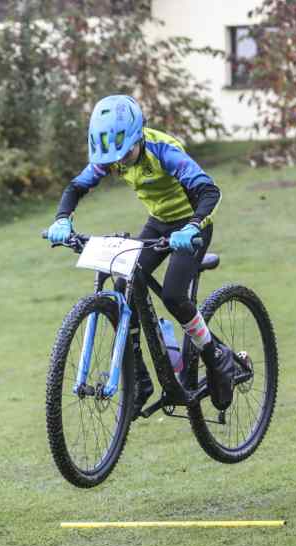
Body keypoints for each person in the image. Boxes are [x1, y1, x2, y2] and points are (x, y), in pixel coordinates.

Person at [46, 95, 237, 412]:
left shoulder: (163, 152)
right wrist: (62, 219)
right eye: (114, 159)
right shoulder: (114, 156)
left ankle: (215, 356)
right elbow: (76, 187)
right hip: (159, 222)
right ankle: (140, 379)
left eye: (126, 154)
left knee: (174, 296)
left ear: (138, 137)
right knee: (124, 283)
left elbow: (209, 191)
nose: (120, 163)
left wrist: (191, 227)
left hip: (192, 224)